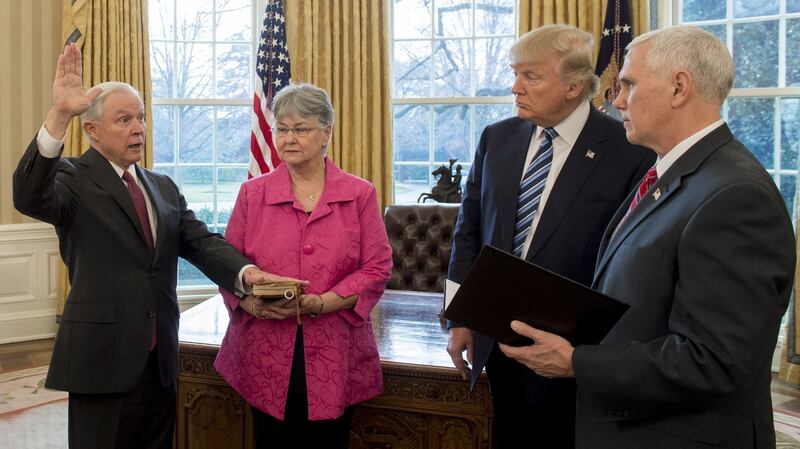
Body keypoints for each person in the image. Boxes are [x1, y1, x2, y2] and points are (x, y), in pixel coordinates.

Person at [499, 26, 796, 449]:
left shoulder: (734, 196)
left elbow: (713, 361)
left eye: (630, 85)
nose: (616, 99)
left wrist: (576, 362)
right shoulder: (672, 174)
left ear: (679, 88)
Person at [11, 43, 292, 449]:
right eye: (123, 119)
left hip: (160, 359)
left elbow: (200, 242)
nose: (138, 128)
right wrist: (58, 116)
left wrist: (246, 274)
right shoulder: (72, 177)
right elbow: (28, 195)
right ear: (91, 129)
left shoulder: (161, 186)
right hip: (103, 360)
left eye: (141, 117)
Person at [445, 24, 654, 448]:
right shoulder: (497, 137)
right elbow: (468, 229)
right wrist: (461, 315)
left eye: (531, 76)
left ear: (574, 86)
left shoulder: (628, 149)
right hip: (498, 339)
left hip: (575, 352)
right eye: (514, 73)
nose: (515, 87)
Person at [213, 83, 393, 449]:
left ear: (326, 132)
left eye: (301, 129)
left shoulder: (359, 193)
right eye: (282, 129)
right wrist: (251, 304)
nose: (288, 138)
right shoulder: (253, 193)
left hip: (334, 349)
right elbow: (228, 263)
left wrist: (324, 301)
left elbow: (377, 266)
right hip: (264, 348)